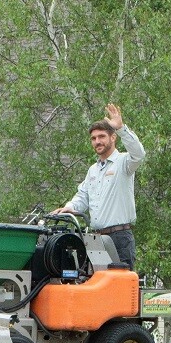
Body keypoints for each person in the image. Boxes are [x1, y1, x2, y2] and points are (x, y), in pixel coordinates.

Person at [53, 104, 146, 270]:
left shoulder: (123, 162)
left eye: (101, 136)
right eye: (93, 138)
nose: (97, 141)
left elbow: (139, 154)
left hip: (119, 238)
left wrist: (121, 128)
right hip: (95, 239)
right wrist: (69, 208)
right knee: (95, 286)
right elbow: (82, 197)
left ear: (112, 137)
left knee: (119, 288)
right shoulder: (93, 170)